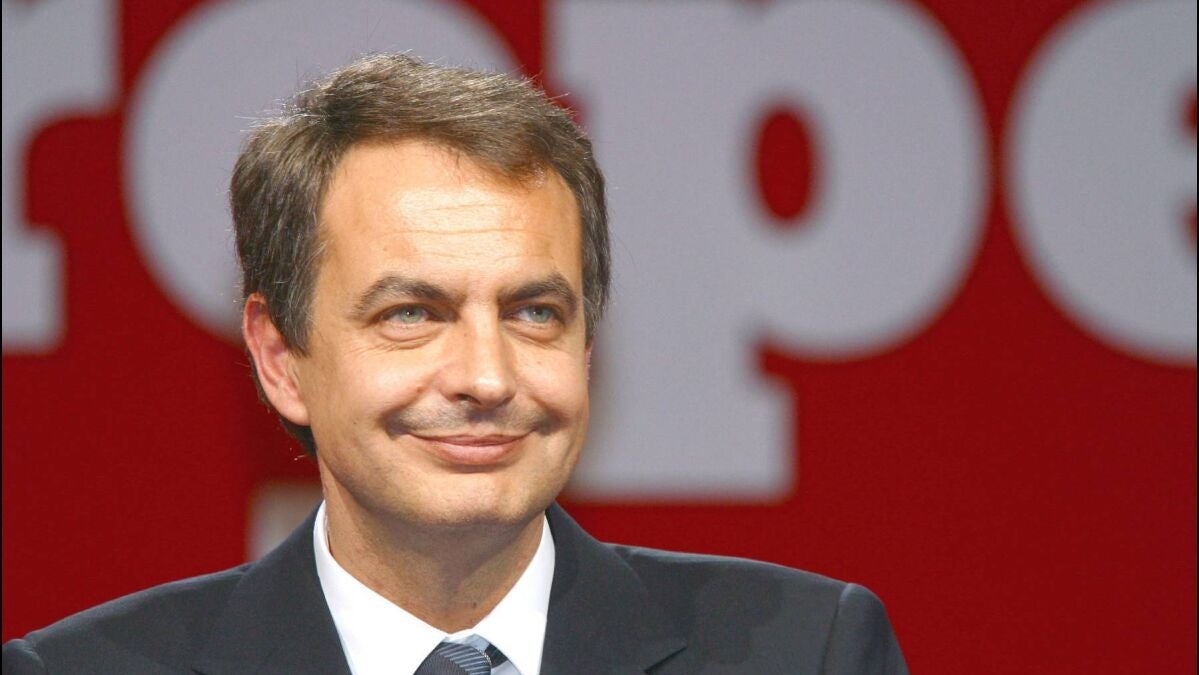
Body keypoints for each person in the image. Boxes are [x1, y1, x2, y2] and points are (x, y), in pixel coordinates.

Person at [1, 53, 908, 674]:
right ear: (280, 359)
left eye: (533, 312)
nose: (486, 376)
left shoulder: (806, 651)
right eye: (412, 314)